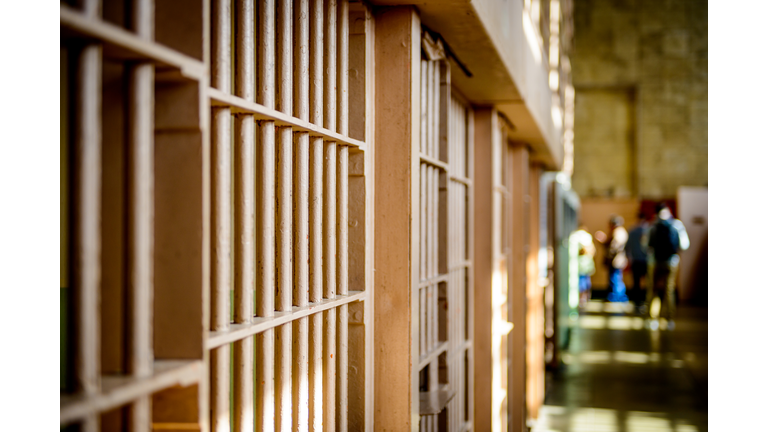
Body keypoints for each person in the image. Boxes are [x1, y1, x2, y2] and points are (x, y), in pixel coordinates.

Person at [643, 202, 690, 330]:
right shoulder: (676, 224)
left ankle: (652, 319)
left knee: (653, 289)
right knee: (669, 289)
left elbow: (646, 245)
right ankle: (669, 318)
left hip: (654, 261)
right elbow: (685, 245)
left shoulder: (651, 225)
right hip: (671, 261)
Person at [594, 215, 629, 303]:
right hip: (616, 260)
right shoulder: (618, 231)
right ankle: (616, 296)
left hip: (616, 261)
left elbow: (614, 247)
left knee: (615, 279)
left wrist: (606, 247)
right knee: (615, 278)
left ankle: (617, 297)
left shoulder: (618, 232)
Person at [626, 212, 650, 313]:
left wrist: (629, 258)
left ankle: (637, 303)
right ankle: (647, 301)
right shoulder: (649, 230)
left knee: (636, 283)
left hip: (636, 261)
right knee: (649, 283)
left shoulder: (632, 231)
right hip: (647, 261)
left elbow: (627, 247)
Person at [573, 225, 596, 309]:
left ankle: (582, 299)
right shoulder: (587, 237)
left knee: (582, 282)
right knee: (586, 281)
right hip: (586, 265)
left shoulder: (577, 237)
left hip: (582, 265)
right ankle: (586, 297)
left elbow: (585, 250)